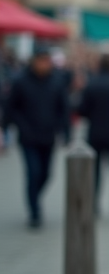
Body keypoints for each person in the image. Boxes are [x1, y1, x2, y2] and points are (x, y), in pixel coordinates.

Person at [2, 47, 71, 228]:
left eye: (46, 60)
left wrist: (66, 132)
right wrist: (6, 129)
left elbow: (63, 109)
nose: (44, 64)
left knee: (46, 174)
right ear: (33, 61)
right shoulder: (20, 81)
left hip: (48, 136)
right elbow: (10, 108)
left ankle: (34, 196)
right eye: (41, 60)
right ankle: (35, 211)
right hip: (28, 136)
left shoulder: (56, 81)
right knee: (33, 173)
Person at [76, 51, 109, 211]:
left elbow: (82, 110)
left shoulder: (92, 84)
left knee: (94, 172)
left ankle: (94, 203)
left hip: (95, 134)